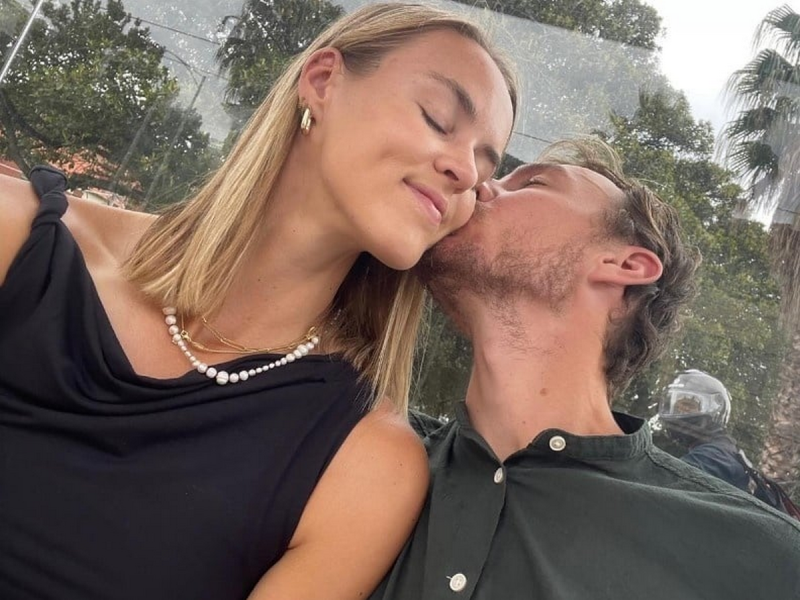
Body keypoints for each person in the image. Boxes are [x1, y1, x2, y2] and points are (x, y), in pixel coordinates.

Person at [0, 4, 517, 599]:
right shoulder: (20, 238)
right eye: (438, 118)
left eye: (484, 168)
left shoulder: (366, 463)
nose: (463, 171)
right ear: (322, 81)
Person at [371, 138, 800, 600]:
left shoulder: (763, 559)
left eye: (533, 183)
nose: (480, 185)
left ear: (625, 264)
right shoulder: (356, 450)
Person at [660, 369, 800, 518]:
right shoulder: (726, 450)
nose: (678, 412)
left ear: (713, 410)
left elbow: (658, 488)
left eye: (688, 405)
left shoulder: (714, 457)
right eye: (676, 406)